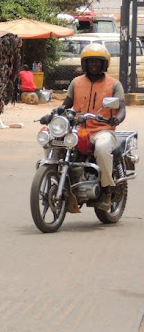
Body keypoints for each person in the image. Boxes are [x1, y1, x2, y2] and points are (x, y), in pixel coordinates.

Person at [58, 43, 126, 210]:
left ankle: (107, 190)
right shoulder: (76, 82)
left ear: (104, 64)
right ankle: (59, 178)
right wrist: (55, 113)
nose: (93, 64)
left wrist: (116, 119)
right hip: (79, 129)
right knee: (55, 141)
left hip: (103, 130)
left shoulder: (114, 84)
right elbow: (65, 104)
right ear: (84, 64)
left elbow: (122, 109)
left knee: (102, 148)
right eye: (90, 61)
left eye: (97, 61)